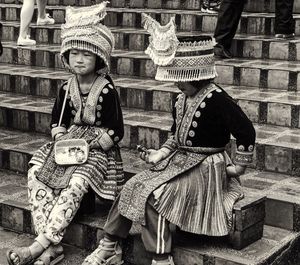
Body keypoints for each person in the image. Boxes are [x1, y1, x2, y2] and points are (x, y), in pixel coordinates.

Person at [81, 14, 256, 265]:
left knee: (157, 196)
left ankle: (161, 257)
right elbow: (176, 135)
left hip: (207, 166)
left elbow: (246, 131)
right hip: (178, 160)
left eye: (180, 77)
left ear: (196, 73)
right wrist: (160, 153)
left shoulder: (218, 99)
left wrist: (238, 167)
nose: (176, 83)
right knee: (133, 186)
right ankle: (110, 246)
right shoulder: (181, 99)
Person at [6, 3, 124, 265]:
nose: (79, 59)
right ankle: (51, 246)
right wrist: (60, 137)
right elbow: (57, 121)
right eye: (74, 54)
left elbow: (116, 131)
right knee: (37, 171)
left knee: (75, 183)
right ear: (67, 57)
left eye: (86, 55)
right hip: (68, 143)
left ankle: (40, 246)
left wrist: (90, 146)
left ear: (98, 59)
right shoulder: (65, 88)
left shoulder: (106, 91)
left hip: (96, 150)